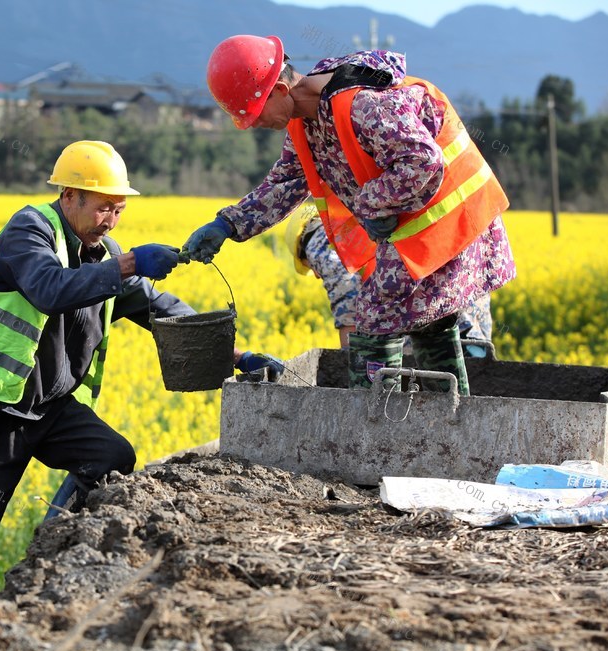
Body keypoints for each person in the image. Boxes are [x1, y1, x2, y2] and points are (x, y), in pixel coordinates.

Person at [0, 140, 281, 600]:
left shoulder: (105, 253)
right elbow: (49, 289)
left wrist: (236, 356)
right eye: (103, 208)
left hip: (48, 404)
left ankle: (49, 553)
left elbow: (160, 310)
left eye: (118, 210)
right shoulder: (29, 230)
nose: (111, 220)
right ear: (69, 196)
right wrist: (132, 263)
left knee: (110, 457)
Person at [185, 37, 515, 393]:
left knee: (374, 315)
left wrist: (372, 202)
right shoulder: (306, 123)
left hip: (454, 225)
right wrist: (227, 224)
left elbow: (423, 160)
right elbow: (283, 186)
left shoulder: (363, 105)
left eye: (253, 113)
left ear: (280, 89)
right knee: (427, 321)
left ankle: (371, 429)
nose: (251, 125)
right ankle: (451, 418)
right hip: (421, 237)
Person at [284, 204, 496, 357]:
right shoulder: (355, 218)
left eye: (311, 269)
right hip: (460, 297)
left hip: (430, 318)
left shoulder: (320, 245)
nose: (318, 275)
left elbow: (345, 291)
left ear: (303, 253)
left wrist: (349, 360)